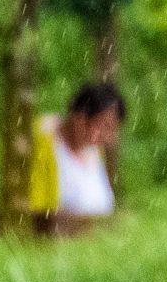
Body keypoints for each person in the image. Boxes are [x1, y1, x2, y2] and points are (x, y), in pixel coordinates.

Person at [32, 83, 125, 218]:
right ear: (80, 117)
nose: (107, 137)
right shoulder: (43, 145)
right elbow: (37, 211)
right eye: (104, 126)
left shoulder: (95, 152)